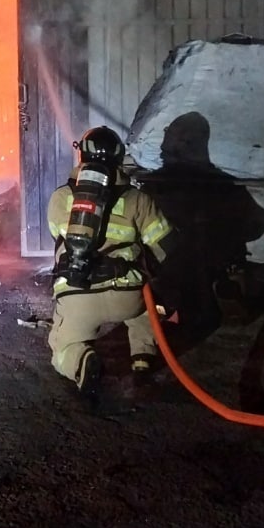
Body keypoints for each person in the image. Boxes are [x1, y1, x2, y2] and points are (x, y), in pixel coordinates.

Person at [46, 125, 175, 397]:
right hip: (126, 296)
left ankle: (81, 359)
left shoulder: (60, 198)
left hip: (78, 294)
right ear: (119, 159)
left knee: (61, 347)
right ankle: (142, 357)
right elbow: (165, 247)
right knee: (144, 303)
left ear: (81, 156)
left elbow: (57, 235)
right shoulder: (138, 199)